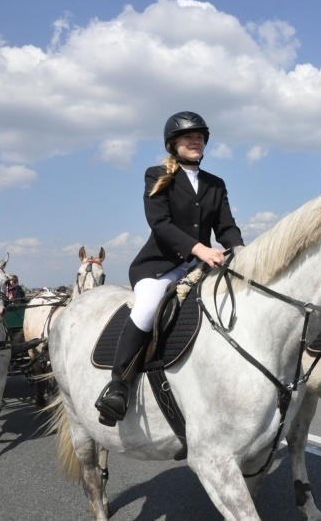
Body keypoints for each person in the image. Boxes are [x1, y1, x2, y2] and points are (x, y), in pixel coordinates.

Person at [96, 111, 244, 426]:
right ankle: (118, 384)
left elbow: (226, 227)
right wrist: (200, 248)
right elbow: (160, 224)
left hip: (199, 266)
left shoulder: (215, 184)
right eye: (188, 136)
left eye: (200, 137)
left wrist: (242, 253)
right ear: (172, 144)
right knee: (148, 306)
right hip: (160, 266)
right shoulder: (157, 174)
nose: (195, 141)